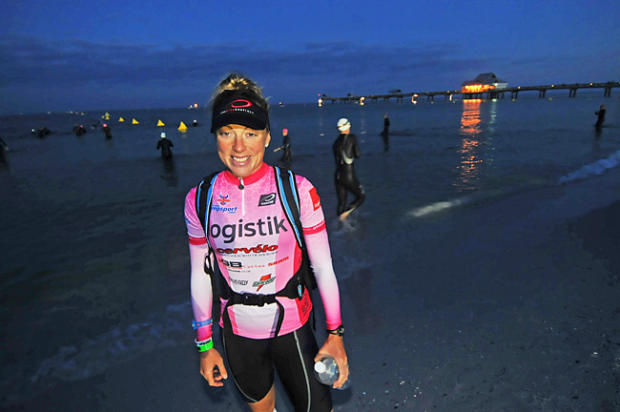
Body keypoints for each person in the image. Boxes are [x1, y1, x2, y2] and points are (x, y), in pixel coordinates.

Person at [184, 73, 348, 412]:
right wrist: (204, 344)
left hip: (293, 329)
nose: (238, 147)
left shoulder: (297, 190)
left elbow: (323, 267)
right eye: (227, 132)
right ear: (215, 136)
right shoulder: (199, 199)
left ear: (267, 136)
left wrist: (336, 335)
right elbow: (200, 273)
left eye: (250, 133)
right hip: (237, 335)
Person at [333, 118, 365, 221]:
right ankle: (345, 215)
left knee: (341, 203)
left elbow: (337, 160)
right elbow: (358, 154)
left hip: (338, 176)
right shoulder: (352, 138)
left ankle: (339, 227)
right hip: (348, 175)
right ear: (347, 127)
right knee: (361, 197)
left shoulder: (335, 143)